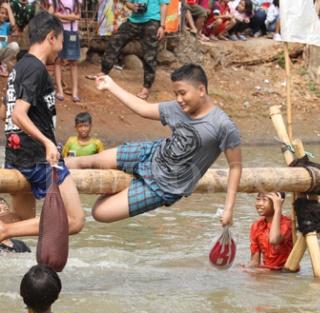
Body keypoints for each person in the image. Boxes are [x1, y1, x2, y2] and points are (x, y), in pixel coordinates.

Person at [0, 12, 85, 258]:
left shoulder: (19, 68)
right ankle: (0, 230)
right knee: (74, 220)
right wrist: (47, 143)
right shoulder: (36, 68)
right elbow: (19, 114)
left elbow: (4, 112)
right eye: (61, 41)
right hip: (39, 157)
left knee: (23, 218)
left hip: (16, 156)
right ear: (51, 38)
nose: (62, 49)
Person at [66, 64, 242, 225]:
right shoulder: (178, 108)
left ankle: (133, 184)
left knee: (100, 213)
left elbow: (235, 167)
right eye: (176, 94)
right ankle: (46, 166)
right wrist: (111, 85)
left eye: (183, 93)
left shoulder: (223, 126)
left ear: (201, 89)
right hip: (150, 153)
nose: (179, 99)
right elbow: (143, 109)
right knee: (92, 161)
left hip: (164, 186)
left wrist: (228, 209)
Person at [93, 0, 170, 100]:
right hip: (134, 20)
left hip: (152, 20)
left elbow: (164, 5)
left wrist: (162, 26)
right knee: (115, 40)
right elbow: (128, 3)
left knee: (149, 55)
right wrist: (133, 7)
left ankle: (146, 87)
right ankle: (104, 71)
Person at [45, 0, 82, 102]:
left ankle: (75, 91)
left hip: (72, 32)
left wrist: (60, 16)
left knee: (73, 61)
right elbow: (50, 14)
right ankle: (60, 90)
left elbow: (77, 16)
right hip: (59, 31)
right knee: (58, 60)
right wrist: (69, 18)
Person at [246, 192, 293, 270]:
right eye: (258, 199)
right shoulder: (256, 226)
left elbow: (274, 240)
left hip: (285, 272)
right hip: (267, 271)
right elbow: (254, 262)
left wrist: (278, 209)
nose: (259, 203)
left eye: (264, 200)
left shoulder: (287, 224)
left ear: (277, 203)